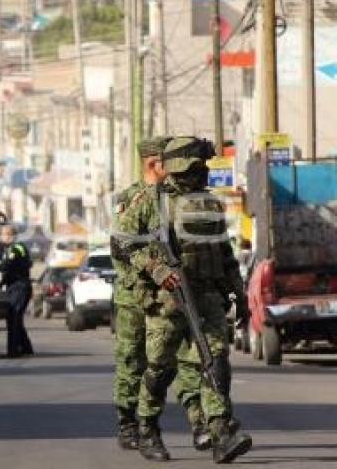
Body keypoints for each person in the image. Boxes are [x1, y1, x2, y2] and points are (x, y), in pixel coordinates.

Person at [116, 137, 252, 463]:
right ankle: (147, 427)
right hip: (167, 299)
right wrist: (157, 268)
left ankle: (221, 432)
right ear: (181, 169)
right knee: (160, 369)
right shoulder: (151, 201)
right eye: (198, 167)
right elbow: (123, 240)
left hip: (206, 296)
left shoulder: (210, 204)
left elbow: (224, 254)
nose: (204, 172)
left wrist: (238, 294)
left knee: (214, 361)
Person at [111, 138, 213, 452]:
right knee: (136, 360)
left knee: (188, 360)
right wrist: (149, 275)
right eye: (167, 161)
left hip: (174, 295)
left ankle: (200, 424)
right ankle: (131, 423)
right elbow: (121, 246)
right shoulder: (134, 199)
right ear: (155, 164)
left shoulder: (182, 198)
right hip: (135, 295)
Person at [0, 225, 33, 357]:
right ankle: (26, 348)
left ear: (12, 235)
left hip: (20, 287)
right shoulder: (9, 250)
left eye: (6, 234)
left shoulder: (17, 248)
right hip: (13, 287)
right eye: (3, 234)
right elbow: (7, 273)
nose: (3, 236)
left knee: (13, 318)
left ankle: (13, 351)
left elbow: (7, 265)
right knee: (15, 319)